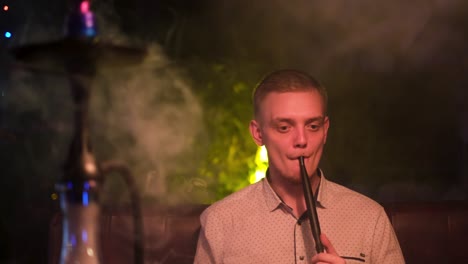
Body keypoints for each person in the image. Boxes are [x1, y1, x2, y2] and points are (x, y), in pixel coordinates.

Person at [194, 69, 405, 264]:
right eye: (284, 127)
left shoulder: (370, 218)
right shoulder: (221, 222)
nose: (302, 140)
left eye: (313, 126)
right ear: (258, 133)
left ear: (325, 131)